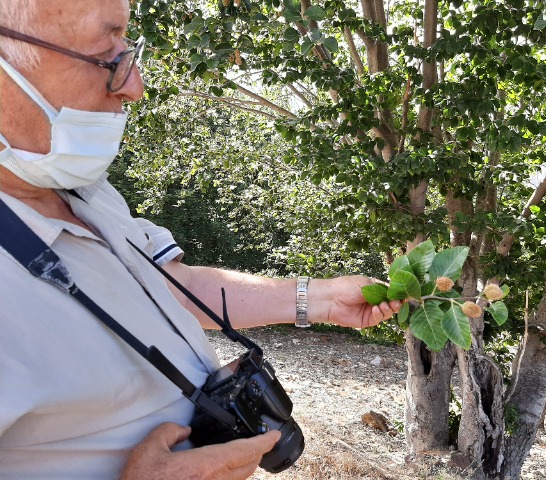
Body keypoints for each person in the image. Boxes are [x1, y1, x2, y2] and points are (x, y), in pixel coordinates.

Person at [0, 1, 402, 479]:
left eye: (130, 53)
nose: (135, 87)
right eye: (107, 58)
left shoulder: (80, 189)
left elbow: (172, 286)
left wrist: (317, 299)